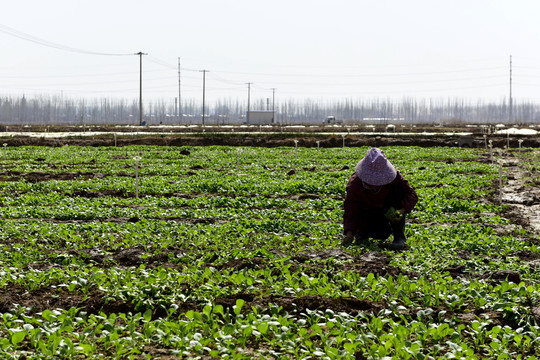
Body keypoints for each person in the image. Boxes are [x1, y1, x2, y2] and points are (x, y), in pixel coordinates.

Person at [342, 148, 418, 250]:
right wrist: (349, 233)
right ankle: (362, 234)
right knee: (378, 233)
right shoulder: (355, 184)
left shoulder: (394, 177)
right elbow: (351, 209)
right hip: (367, 215)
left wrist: (401, 211)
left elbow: (411, 194)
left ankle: (399, 237)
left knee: (399, 191)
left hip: (385, 212)